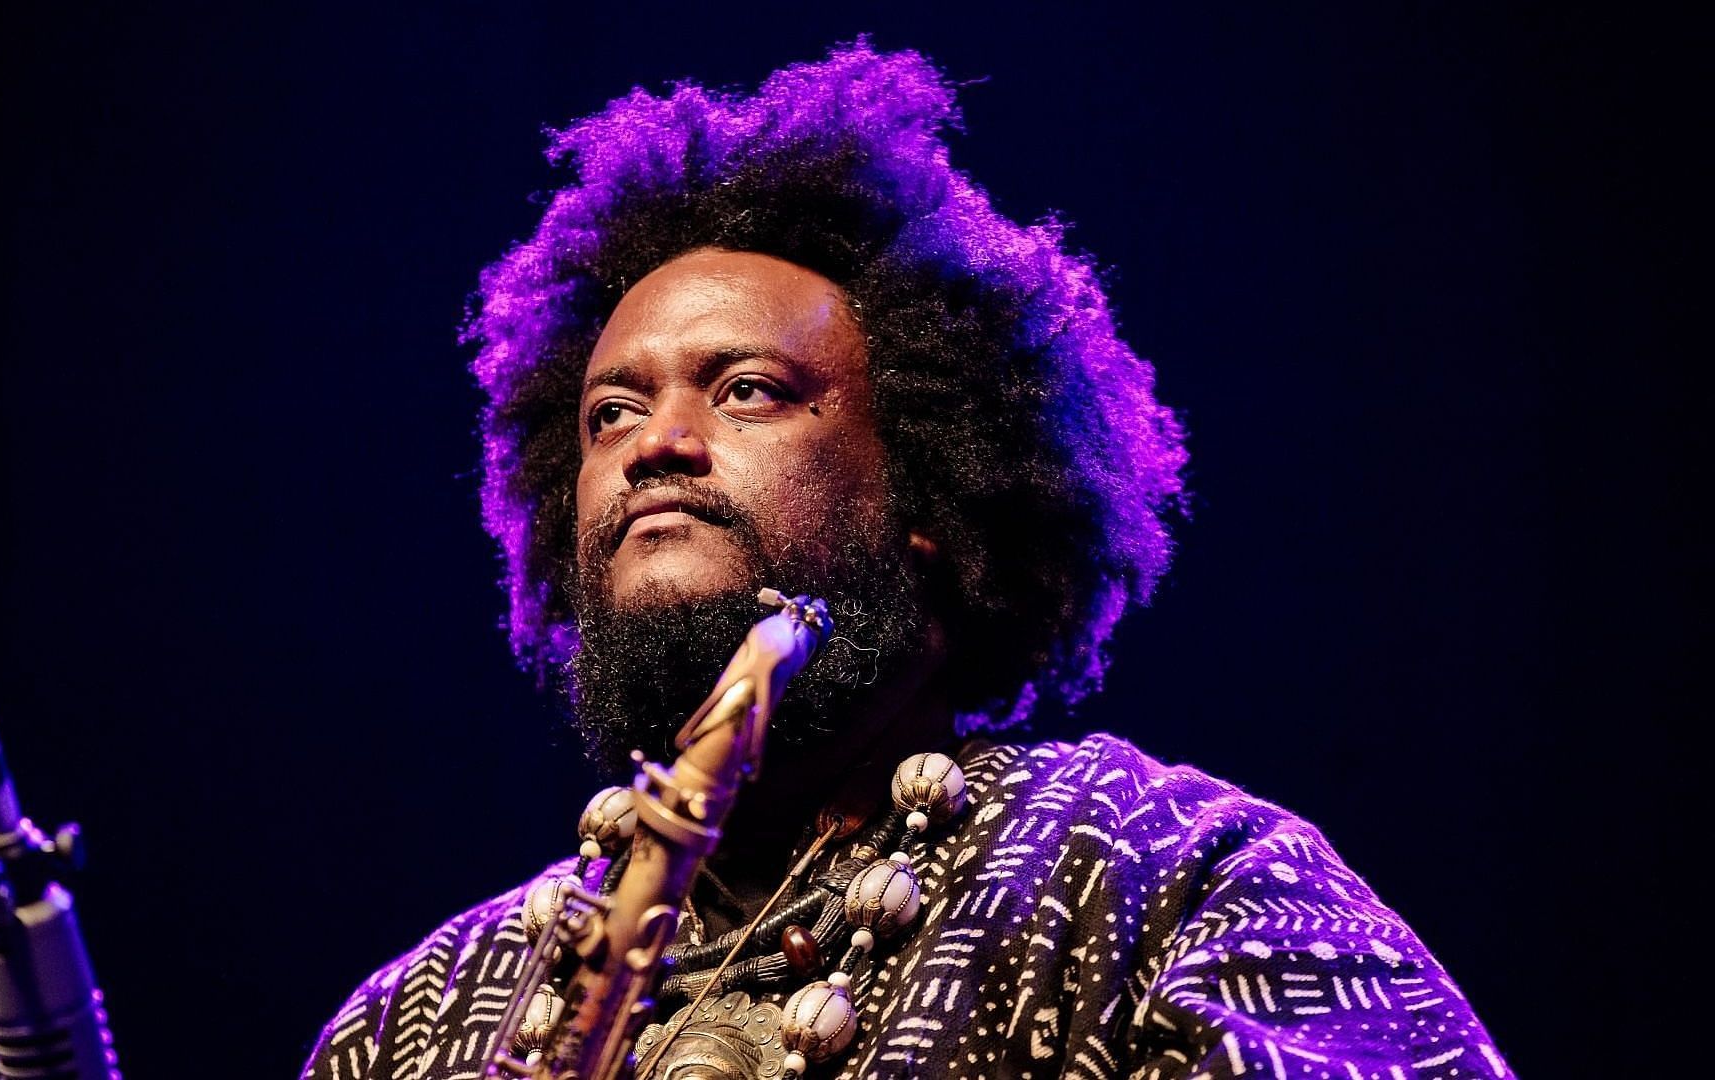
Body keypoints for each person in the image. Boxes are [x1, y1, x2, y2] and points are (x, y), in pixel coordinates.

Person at [303, 42, 1510, 1080]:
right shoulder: (417, 1023)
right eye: (609, 414)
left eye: (747, 391)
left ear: (934, 491)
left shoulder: (1164, 872)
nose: (657, 445)